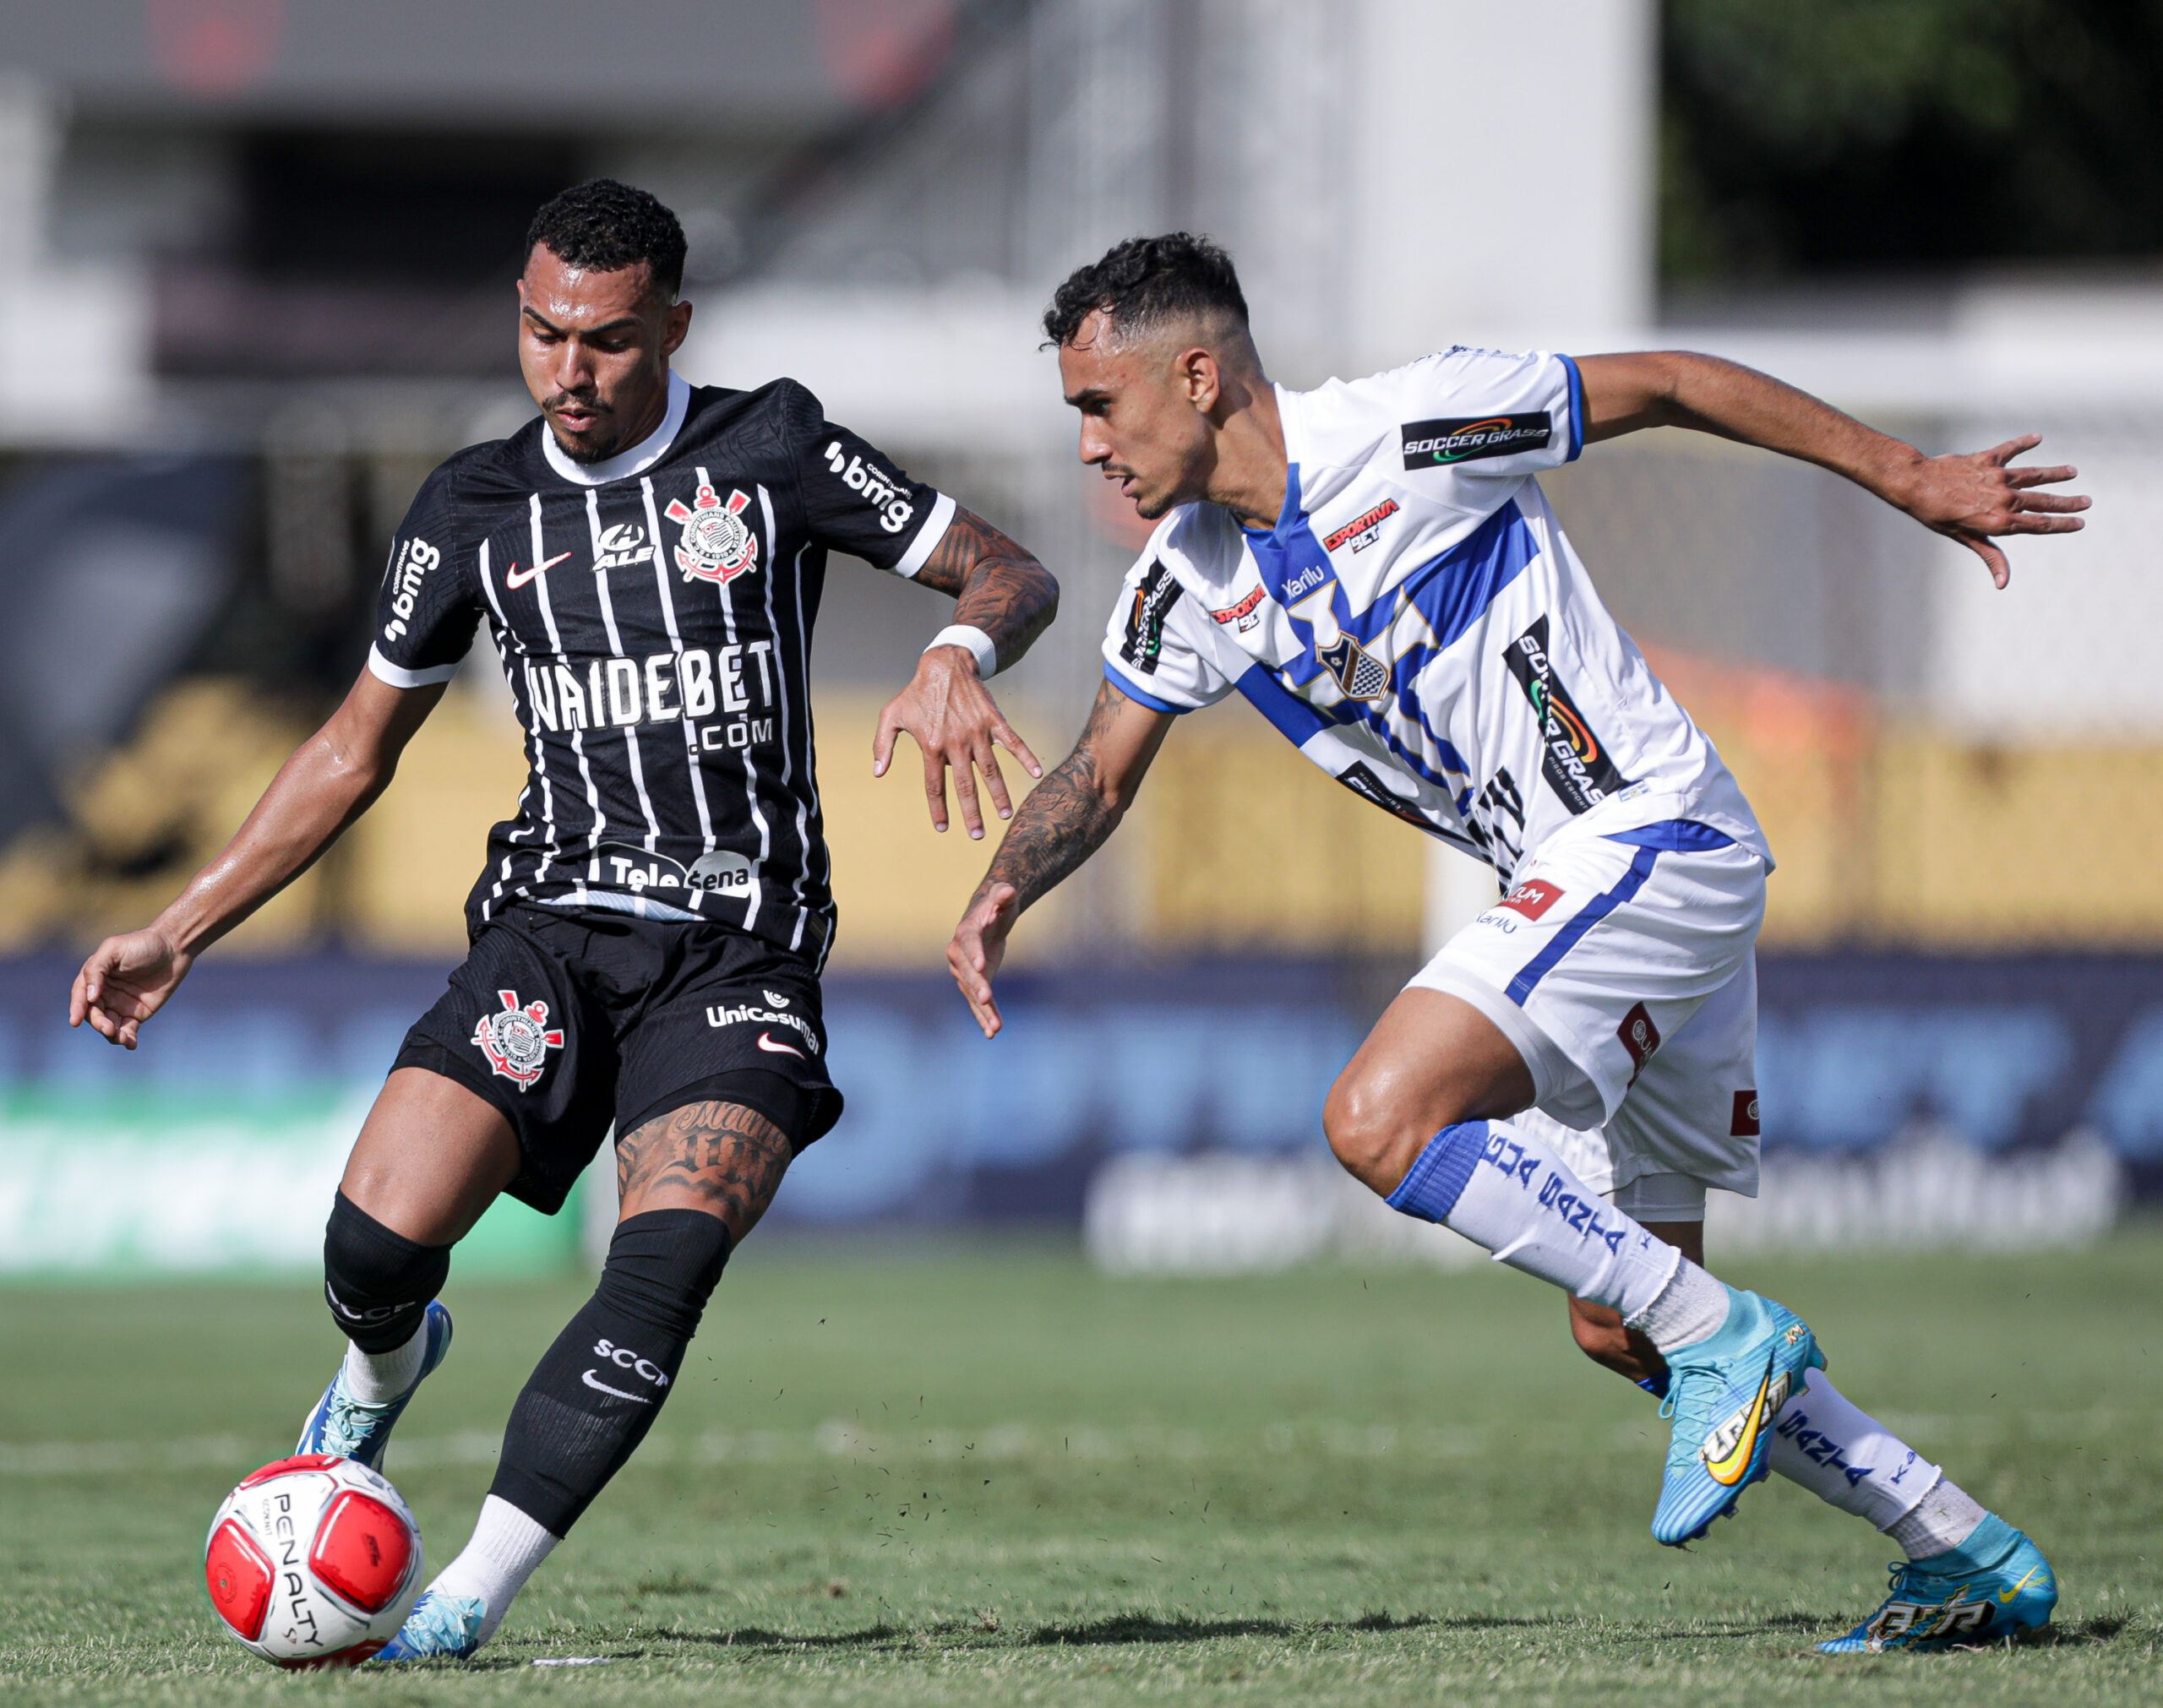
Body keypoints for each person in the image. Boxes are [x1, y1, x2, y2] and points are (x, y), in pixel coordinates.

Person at [947, 233, 2080, 1654]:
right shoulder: (1185, 587)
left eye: (1100, 407)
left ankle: (1733, 1336)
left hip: (1648, 834)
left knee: (1378, 1115)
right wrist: (999, 896)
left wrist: (1909, 476)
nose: (1092, 448)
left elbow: (1666, 381)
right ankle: (1959, 1545)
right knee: (1623, 1325)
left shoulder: (1414, 427)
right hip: (1610, 886)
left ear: (1199, 372)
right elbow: (1101, 773)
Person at [68, 180, 1059, 1663]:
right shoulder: (472, 504)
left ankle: (464, 1596)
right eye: (541, 334)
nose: (568, 372)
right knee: (368, 1248)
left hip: (740, 949)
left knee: (663, 1259)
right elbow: (352, 745)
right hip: (548, 933)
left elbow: (1012, 565)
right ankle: (381, 1369)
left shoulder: (770, 445)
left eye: (603, 340)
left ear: (672, 324)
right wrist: (182, 926)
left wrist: (957, 648)